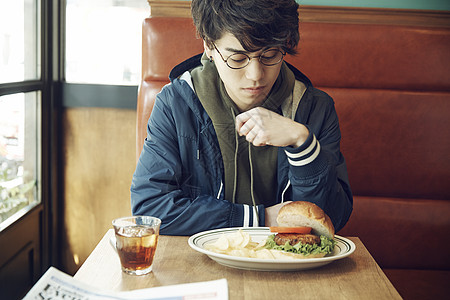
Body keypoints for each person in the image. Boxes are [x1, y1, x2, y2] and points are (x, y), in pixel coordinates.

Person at [131, 0, 353, 235]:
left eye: (270, 55)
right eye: (237, 59)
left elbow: (330, 220)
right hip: (202, 265)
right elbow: (150, 210)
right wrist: (261, 217)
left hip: (287, 267)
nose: (256, 75)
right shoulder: (176, 103)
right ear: (209, 46)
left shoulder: (315, 108)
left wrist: (302, 143)